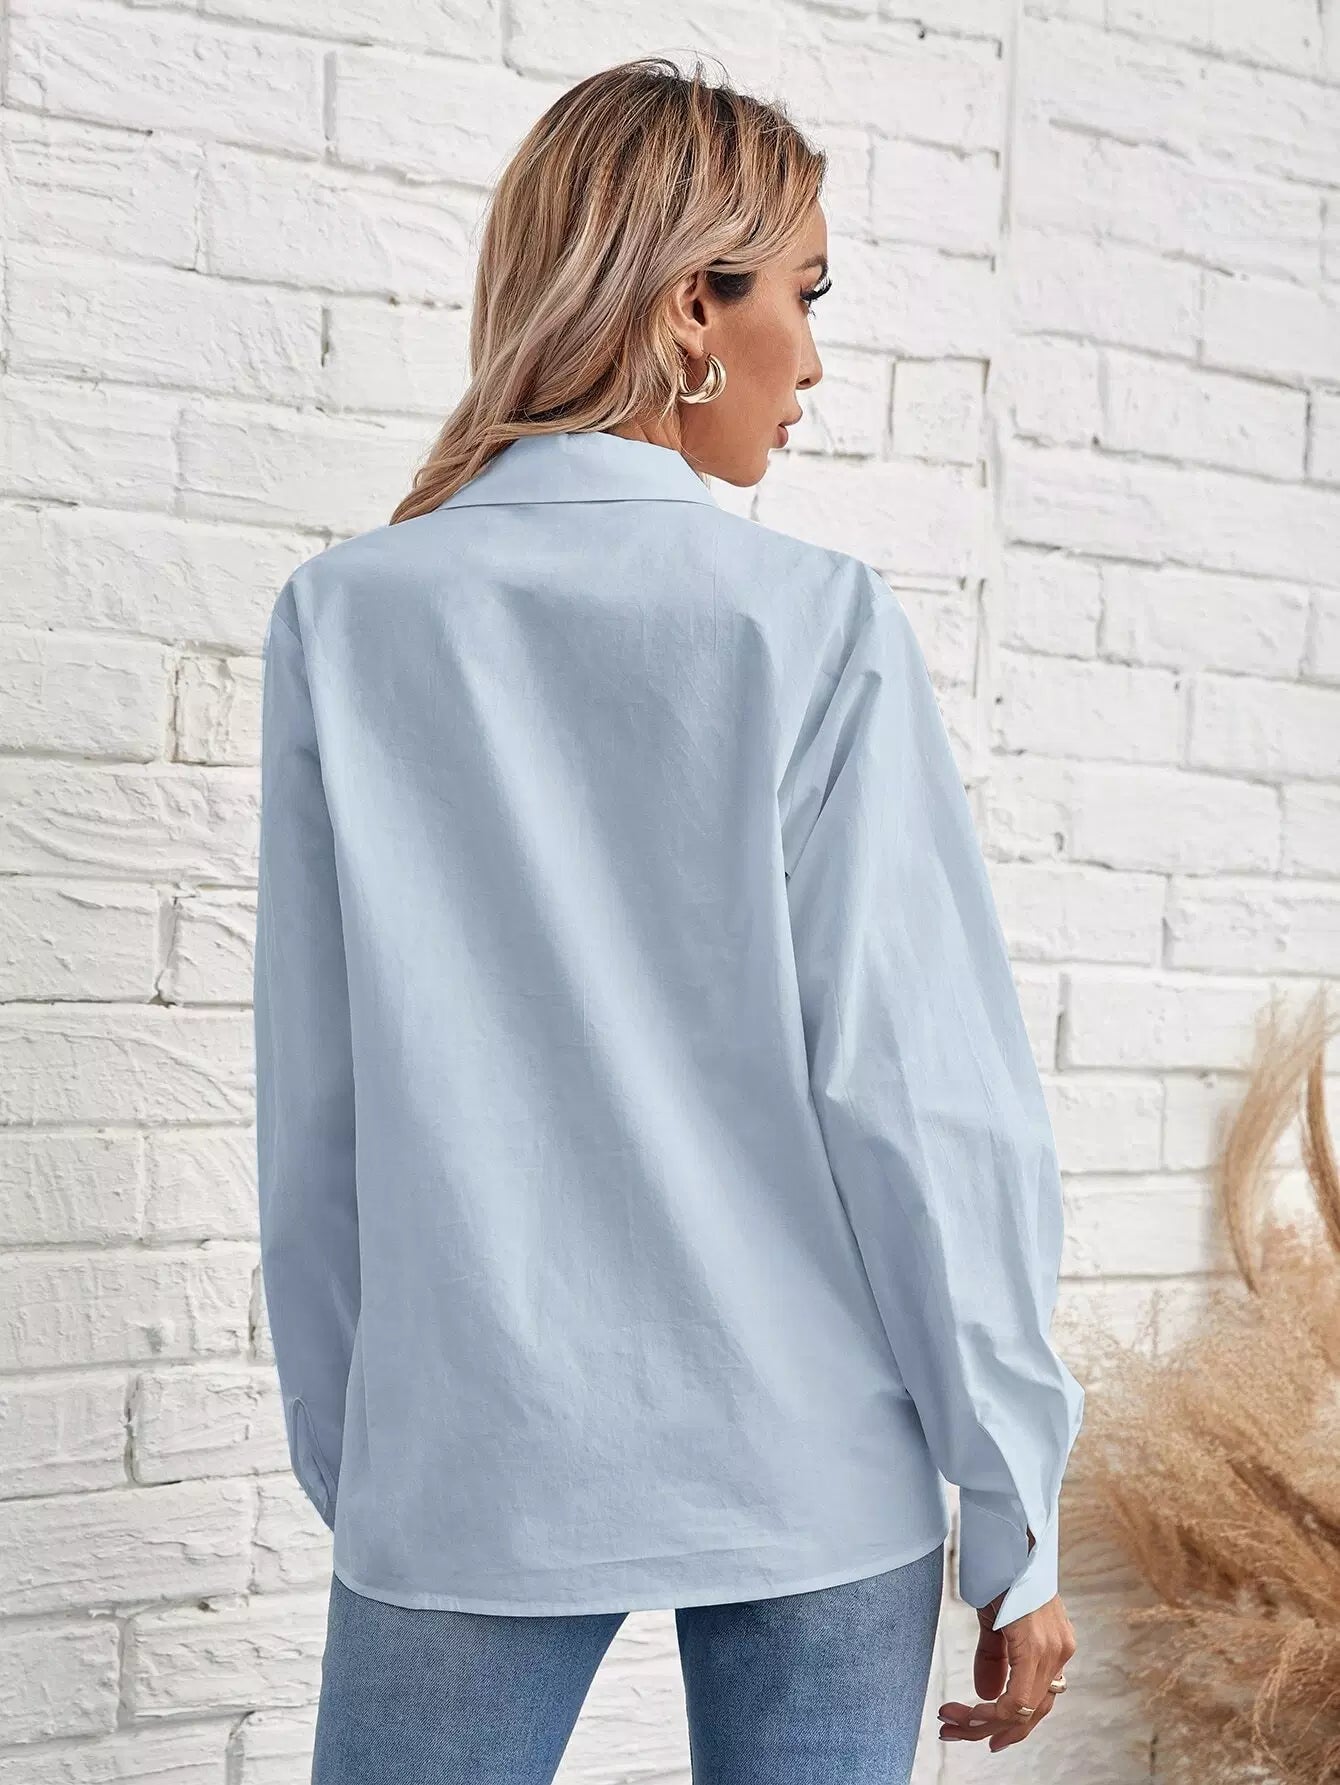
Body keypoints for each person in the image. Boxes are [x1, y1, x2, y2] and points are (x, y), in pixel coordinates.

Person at [252, 55, 1084, 1785]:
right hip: (814, 1452)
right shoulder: (812, 624)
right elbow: (916, 1098)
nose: (817, 360)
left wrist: (365, 1456)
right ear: (693, 305)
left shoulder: (347, 618)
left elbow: (315, 1107)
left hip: (469, 1454)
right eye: (804, 295)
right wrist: (1013, 1503)